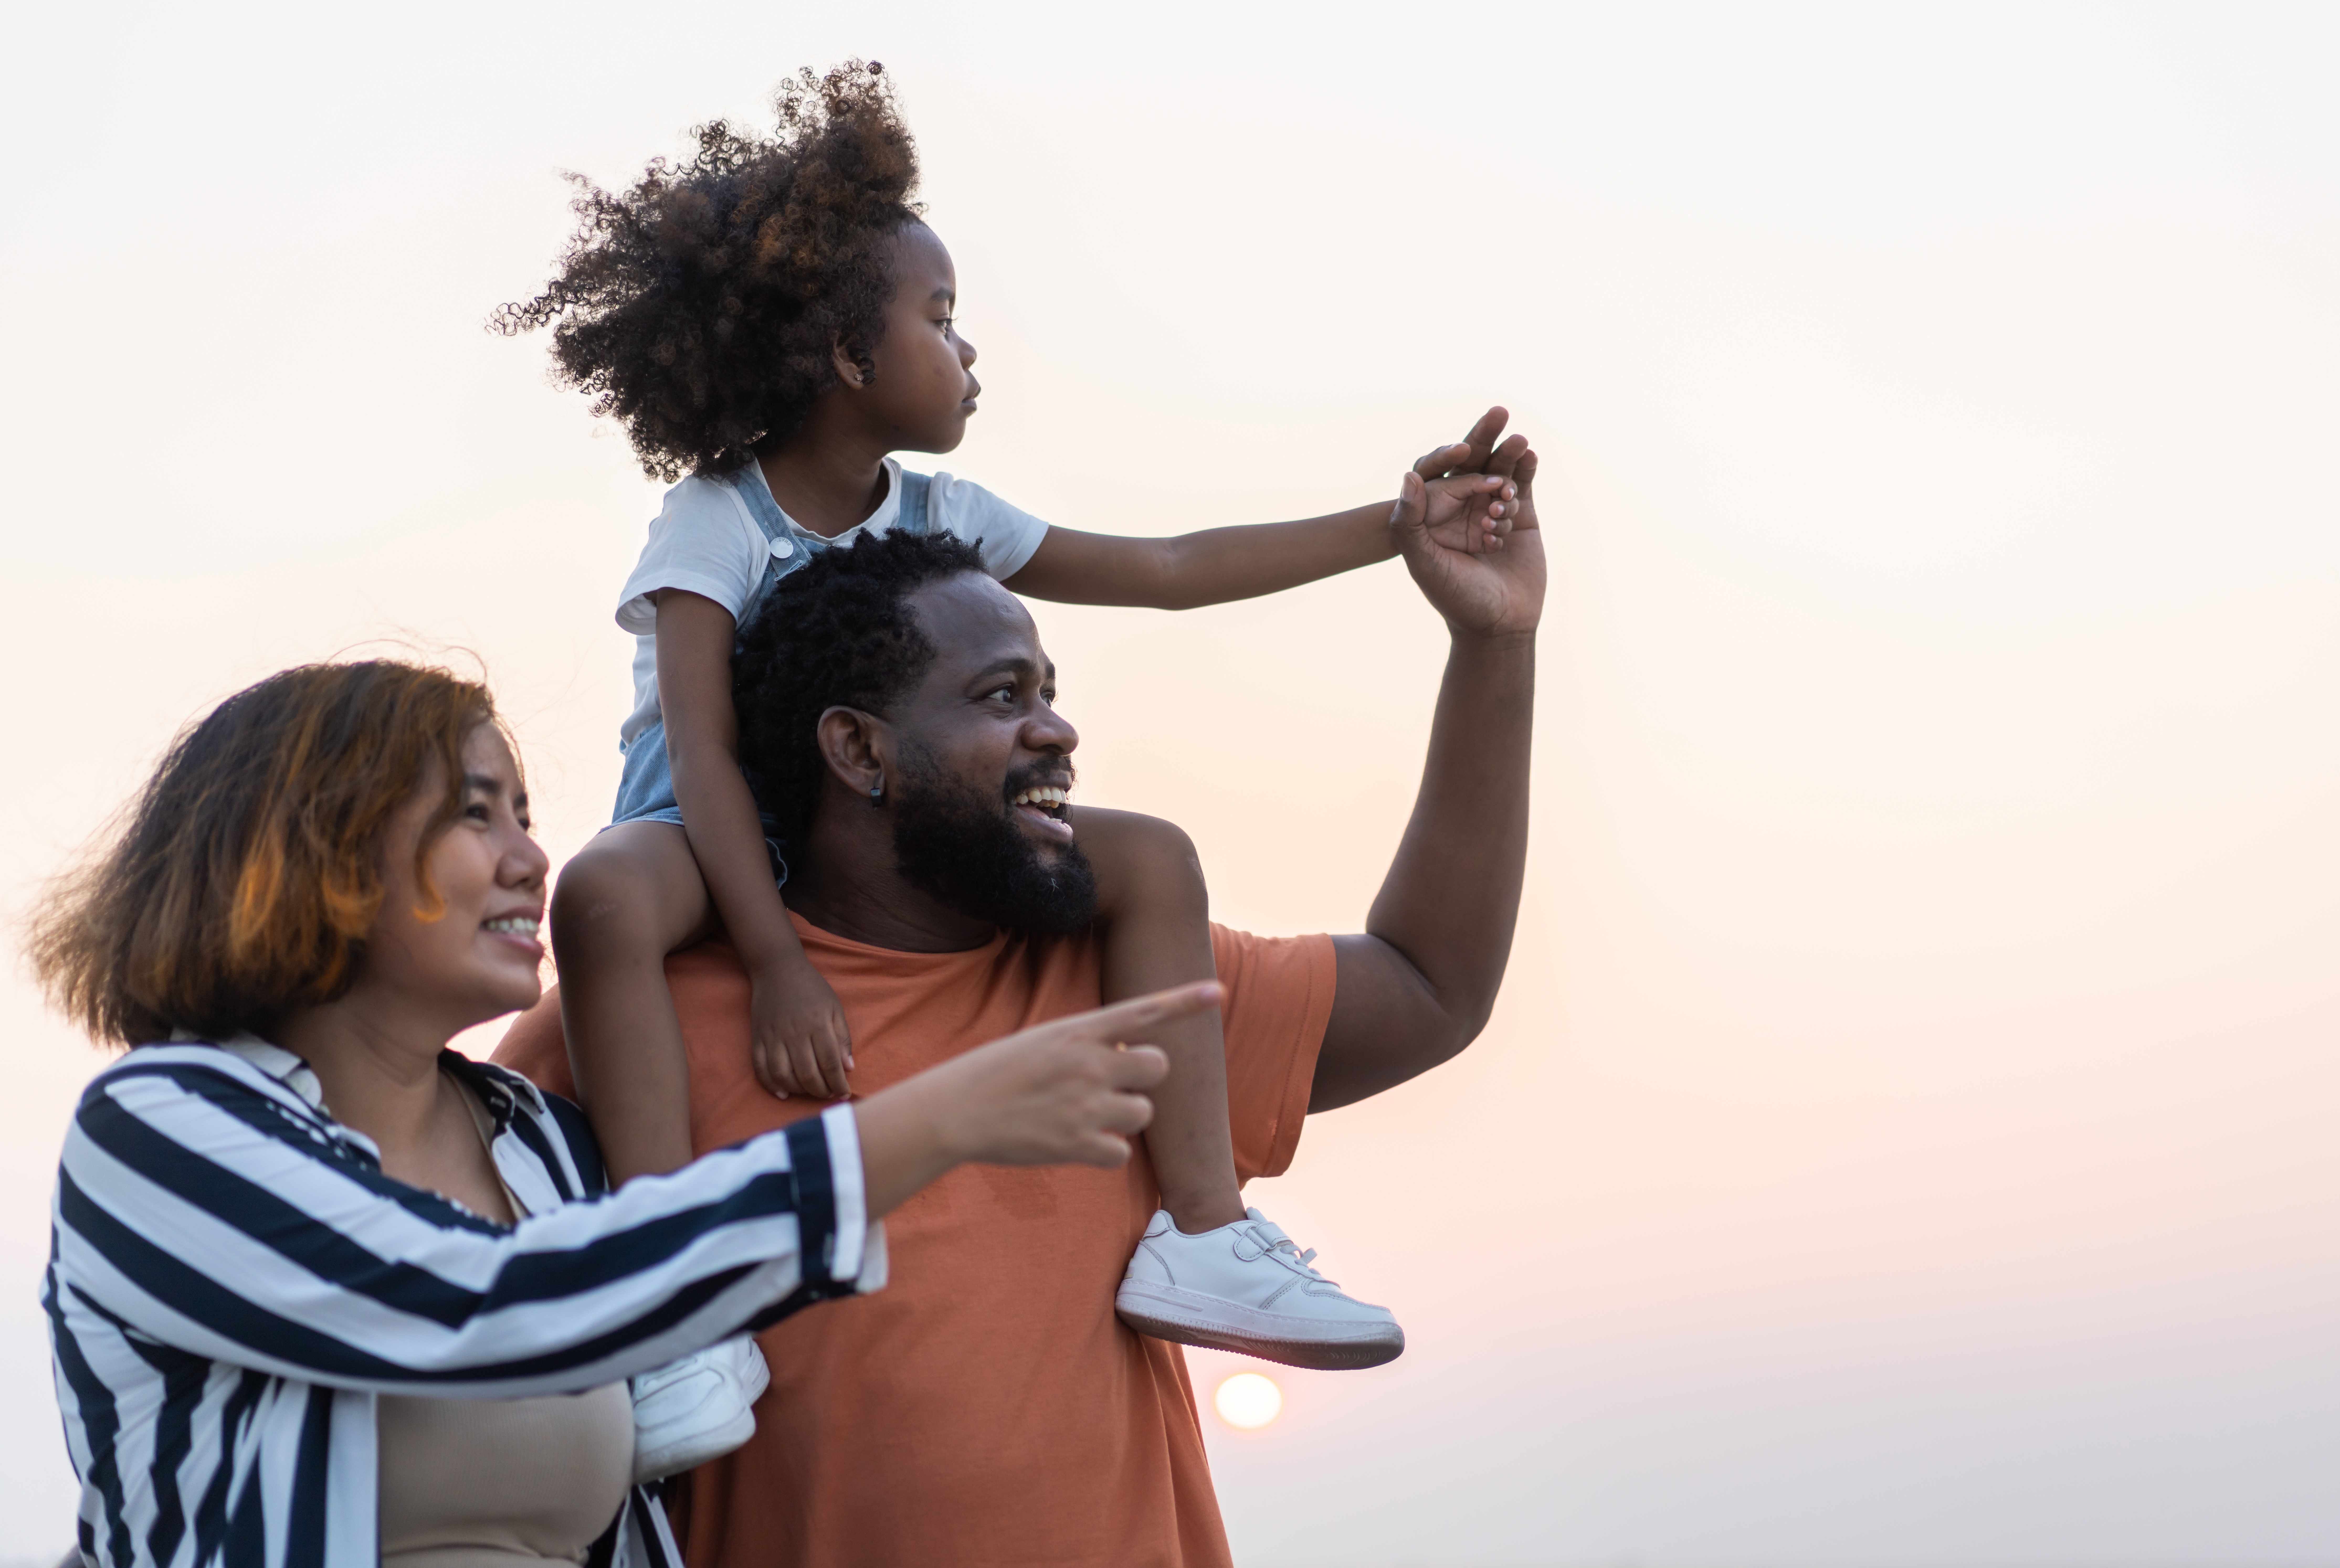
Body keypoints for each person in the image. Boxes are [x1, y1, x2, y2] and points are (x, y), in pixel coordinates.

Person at [489, 59, 1520, 1470]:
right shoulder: (713, 523)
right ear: (849, 356)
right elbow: (708, 747)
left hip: (855, 828)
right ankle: (675, 1303)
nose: (972, 352)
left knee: (1149, 849)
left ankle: (1204, 1228)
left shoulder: (943, 514)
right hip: (706, 823)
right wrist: (775, 960)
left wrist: (1393, 529)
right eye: (943, 319)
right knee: (603, 901)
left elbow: (1167, 568)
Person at [493, 425, 1544, 1566]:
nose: (1057, 729)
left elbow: (1432, 987)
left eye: (1049, 689)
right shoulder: (644, 1018)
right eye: (1003, 697)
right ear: (858, 750)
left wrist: (1496, 646)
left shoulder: (1135, 981)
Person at [26, 659, 1212, 1568]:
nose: (532, 858)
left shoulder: (542, 1143)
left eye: (526, 813)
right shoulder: (162, 1128)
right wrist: (929, 1122)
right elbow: (475, 1308)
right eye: (475, 814)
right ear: (312, 851)